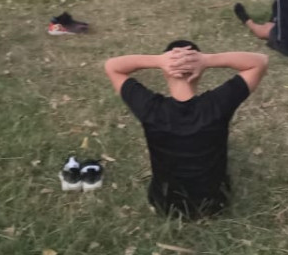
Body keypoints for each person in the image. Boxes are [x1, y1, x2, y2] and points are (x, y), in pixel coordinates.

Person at [104, 40, 268, 219]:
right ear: (199, 73)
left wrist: (158, 61)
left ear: (166, 72)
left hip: (165, 205)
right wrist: (207, 60)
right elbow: (259, 61)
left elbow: (112, 66)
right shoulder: (216, 106)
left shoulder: (151, 109)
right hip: (215, 205)